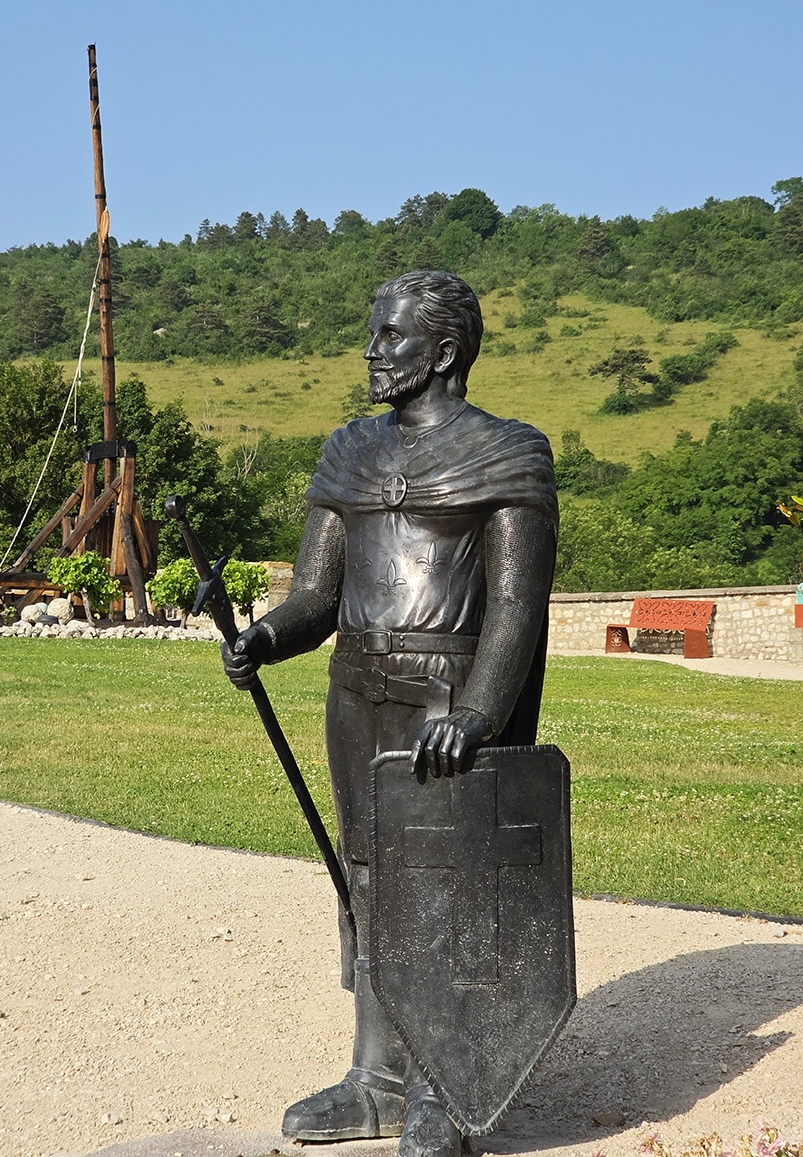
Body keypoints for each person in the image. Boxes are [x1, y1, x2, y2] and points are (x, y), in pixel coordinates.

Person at [222, 270, 558, 1157]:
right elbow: (316, 597)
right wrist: (261, 635)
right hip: (356, 695)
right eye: (374, 335)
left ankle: (446, 1090)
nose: (372, 352)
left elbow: (519, 607)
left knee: (444, 888)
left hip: (446, 700)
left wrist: (481, 711)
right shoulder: (348, 454)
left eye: (392, 338)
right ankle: (375, 1081)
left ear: (443, 352)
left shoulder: (509, 453)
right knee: (367, 881)